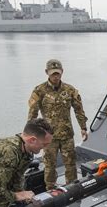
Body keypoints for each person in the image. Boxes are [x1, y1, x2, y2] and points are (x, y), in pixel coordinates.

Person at [28, 59, 88, 190]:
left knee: (71, 164)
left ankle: (72, 189)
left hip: (67, 135)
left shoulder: (70, 90)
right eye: (53, 74)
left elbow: (79, 109)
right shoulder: (39, 91)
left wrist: (83, 128)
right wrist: (30, 134)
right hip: (48, 138)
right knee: (49, 166)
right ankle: (50, 190)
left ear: (62, 72)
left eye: (58, 73)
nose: (56, 76)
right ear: (46, 73)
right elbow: (33, 113)